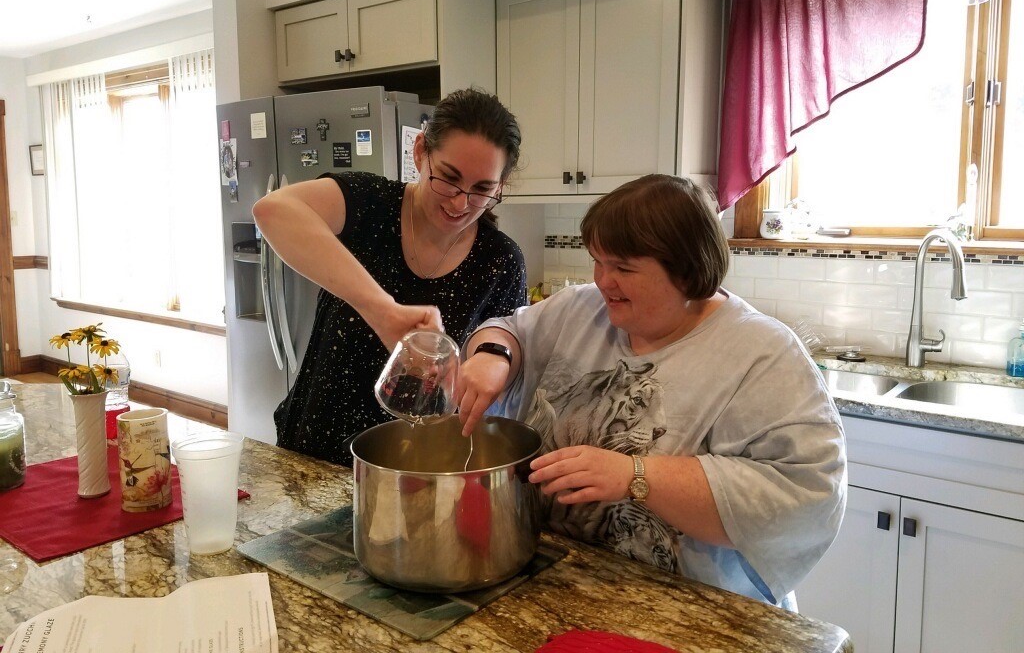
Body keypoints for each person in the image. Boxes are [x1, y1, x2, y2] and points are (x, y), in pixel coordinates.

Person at [455, 174, 846, 609]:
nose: (603, 280)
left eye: (623, 268)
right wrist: (493, 354)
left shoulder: (763, 355)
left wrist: (635, 477)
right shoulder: (581, 309)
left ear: (688, 272)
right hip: (559, 584)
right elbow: (509, 329)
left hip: (693, 612)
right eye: (598, 261)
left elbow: (804, 496)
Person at [253, 87, 527, 466]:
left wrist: (486, 365)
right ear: (420, 152)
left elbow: (507, 358)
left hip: (414, 469)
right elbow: (272, 210)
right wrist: (380, 309)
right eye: (448, 177)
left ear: (501, 186)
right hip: (312, 452)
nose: (460, 203)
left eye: (482, 190)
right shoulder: (369, 203)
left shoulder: (501, 260)